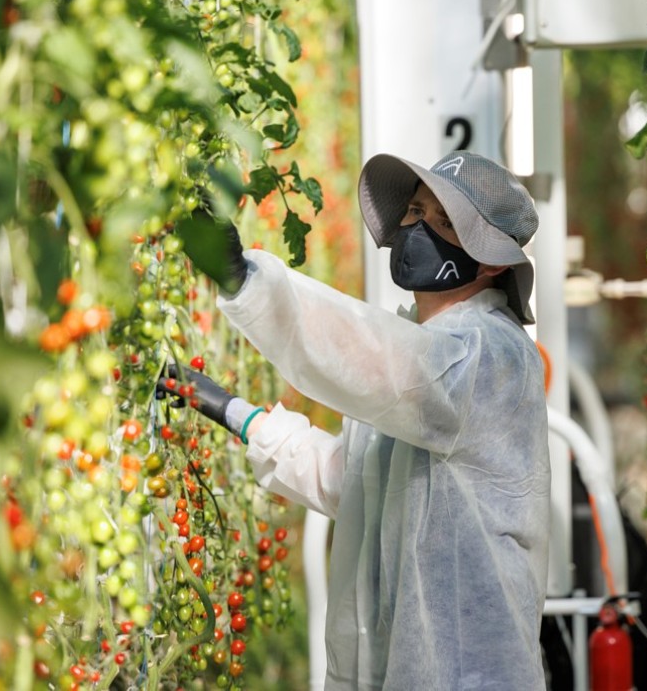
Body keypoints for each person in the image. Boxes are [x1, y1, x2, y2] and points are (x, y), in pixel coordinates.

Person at [159, 151, 551, 690]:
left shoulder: (491, 356)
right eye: (414, 211)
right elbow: (357, 482)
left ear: (492, 263)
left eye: (443, 224)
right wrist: (232, 410)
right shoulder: (423, 358)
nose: (417, 229)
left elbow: (364, 355)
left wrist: (245, 281)